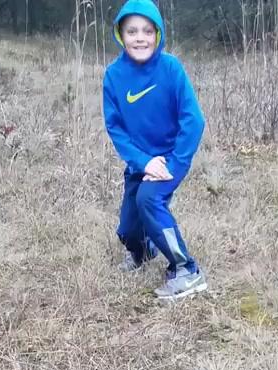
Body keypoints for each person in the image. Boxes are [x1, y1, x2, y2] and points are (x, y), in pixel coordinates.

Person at [102, 0, 208, 301]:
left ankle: (187, 270)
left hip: (170, 159)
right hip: (140, 163)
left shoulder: (170, 68)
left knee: (150, 199)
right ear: (121, 35)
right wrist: (143, 161)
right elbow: (116, 128)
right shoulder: (113, 75)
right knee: (127, 231)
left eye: (148, 31)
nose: (140, 38)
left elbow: (194, 120)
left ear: (158, 34)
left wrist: (174, 163)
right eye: (132, 31)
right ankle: (142, 252)